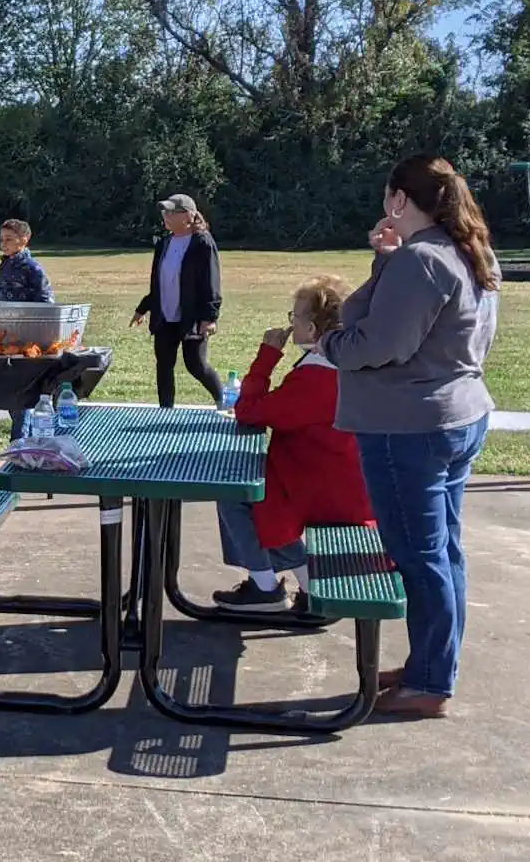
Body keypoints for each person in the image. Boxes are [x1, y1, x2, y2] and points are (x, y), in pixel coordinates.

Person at [319, 154, 500, 720]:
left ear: (399, 199)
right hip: (456, 417)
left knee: (419, 559)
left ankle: (429, 683)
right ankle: (432, 666)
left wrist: (326, 345)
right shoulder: (465, 251)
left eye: (386, 195)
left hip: (410, 428)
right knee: (443, 552)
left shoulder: (422, 261)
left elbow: (377, 343)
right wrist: (385, 261)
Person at [212, 275, 373, 613]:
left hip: (325, 490)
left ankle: (268, 588)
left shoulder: (315, 378)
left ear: (312, 328)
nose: (291, 323)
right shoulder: (342, 365)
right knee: (263, 497)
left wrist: (267, 356)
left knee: (237, 493)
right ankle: (304, 585)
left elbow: (248, 411)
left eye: (295, 317)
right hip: (338, 479)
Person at [132, 193, 223, 408]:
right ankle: (166, 410)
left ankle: (225, 400)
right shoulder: (164, 243)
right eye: (165, 211)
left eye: (172, 212)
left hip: (191, 317)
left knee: (196, 365)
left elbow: (211, 281)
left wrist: (210, 317)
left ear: (188, 215)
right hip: (164, 316)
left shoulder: (202, 243)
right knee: (164, 365)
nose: (166, 215)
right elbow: (158, 283)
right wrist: (143, 308)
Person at [0, 219, 54, 440]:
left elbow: (46, 301)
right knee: (10, 389)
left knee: (24, 390)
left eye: (9, 239)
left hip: (28, 335)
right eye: (2, 239)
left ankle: (20, 439)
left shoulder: (32, 268)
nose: (4, 244)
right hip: (6, 333)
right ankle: (23, 436)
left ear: (24, 240)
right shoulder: (4, 265)